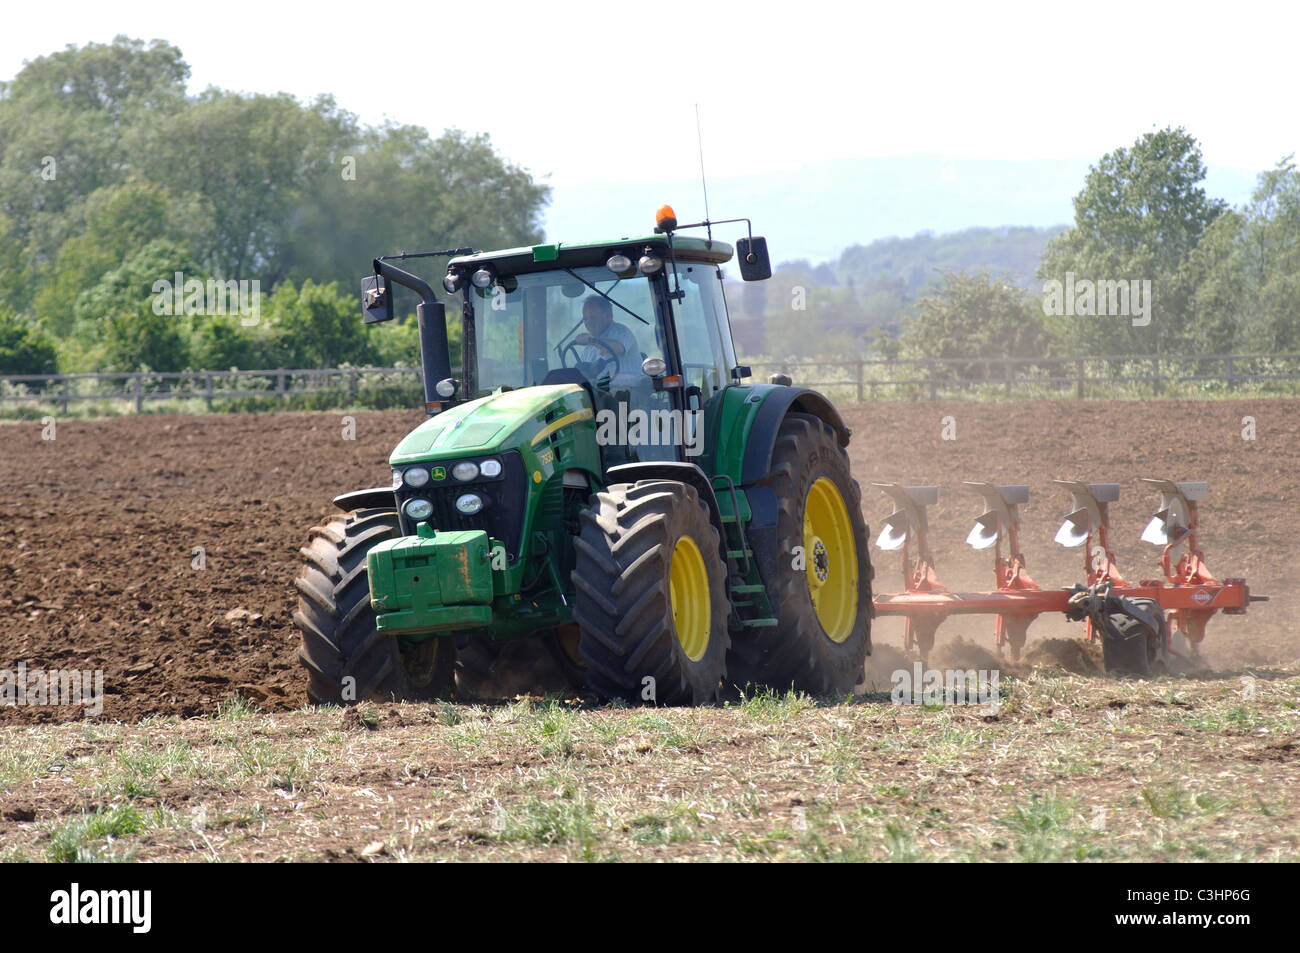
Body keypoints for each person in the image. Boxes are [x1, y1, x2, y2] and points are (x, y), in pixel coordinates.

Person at [574, 296, 641, 387]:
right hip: (600, 394)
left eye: (592, 317)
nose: (588, 322)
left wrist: (591, 340)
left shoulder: (621, 332)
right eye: (585, 319)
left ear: (608, 316)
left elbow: (618, 348)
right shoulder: (589, 348)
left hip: (628, 393)